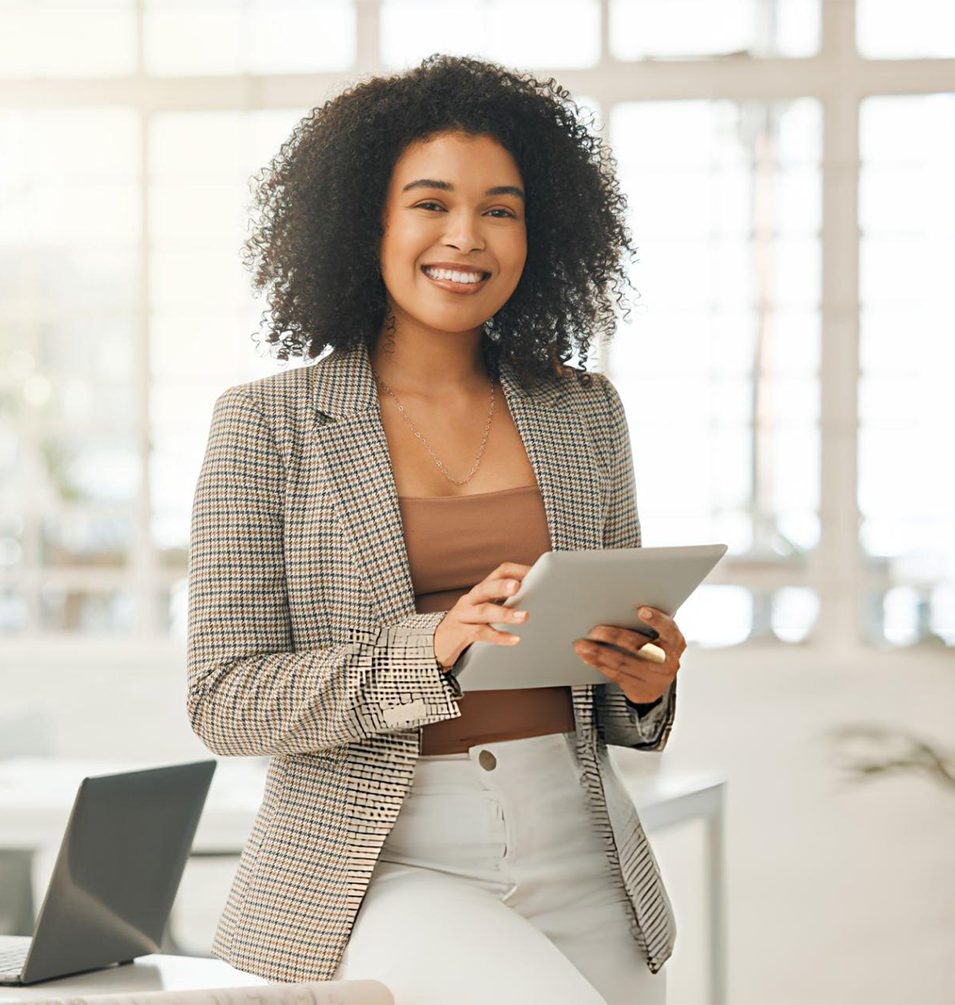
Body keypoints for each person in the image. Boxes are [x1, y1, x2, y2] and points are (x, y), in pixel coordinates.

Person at [186, 54, 687, 1005]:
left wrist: (646, 680)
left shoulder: (584, 412)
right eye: (430, 203)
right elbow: (225, 698)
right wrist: (434, 646)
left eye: (500, 208)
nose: (467, 236)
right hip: (380, 857)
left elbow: (609, 697)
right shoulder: (267, 422)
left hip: (579, 841)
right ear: (365, 219)